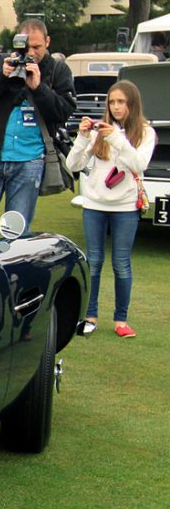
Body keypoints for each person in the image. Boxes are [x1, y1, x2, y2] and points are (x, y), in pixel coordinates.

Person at [0, 19, 75, 239]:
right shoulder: (1, 63)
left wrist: (39, 88)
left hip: (30, 160)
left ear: (47, 42)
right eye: (26, 47)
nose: (31, 53)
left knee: (16, 234)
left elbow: (63, 112)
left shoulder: (57, 69)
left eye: (37, 47)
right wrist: (2, 77)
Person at [66, 80, 155, 338]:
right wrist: (83, 138)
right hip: (95, 204)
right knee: (93, 261)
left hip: (126, 206)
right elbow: (72, 165)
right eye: (112, 102)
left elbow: (139, 164)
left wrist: (117, 138)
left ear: (132, 104)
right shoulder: (99, 131)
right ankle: (90, 315)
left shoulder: (145, 132)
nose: (116, 107)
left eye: (121, 102)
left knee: (121, 263)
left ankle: (121, 319)